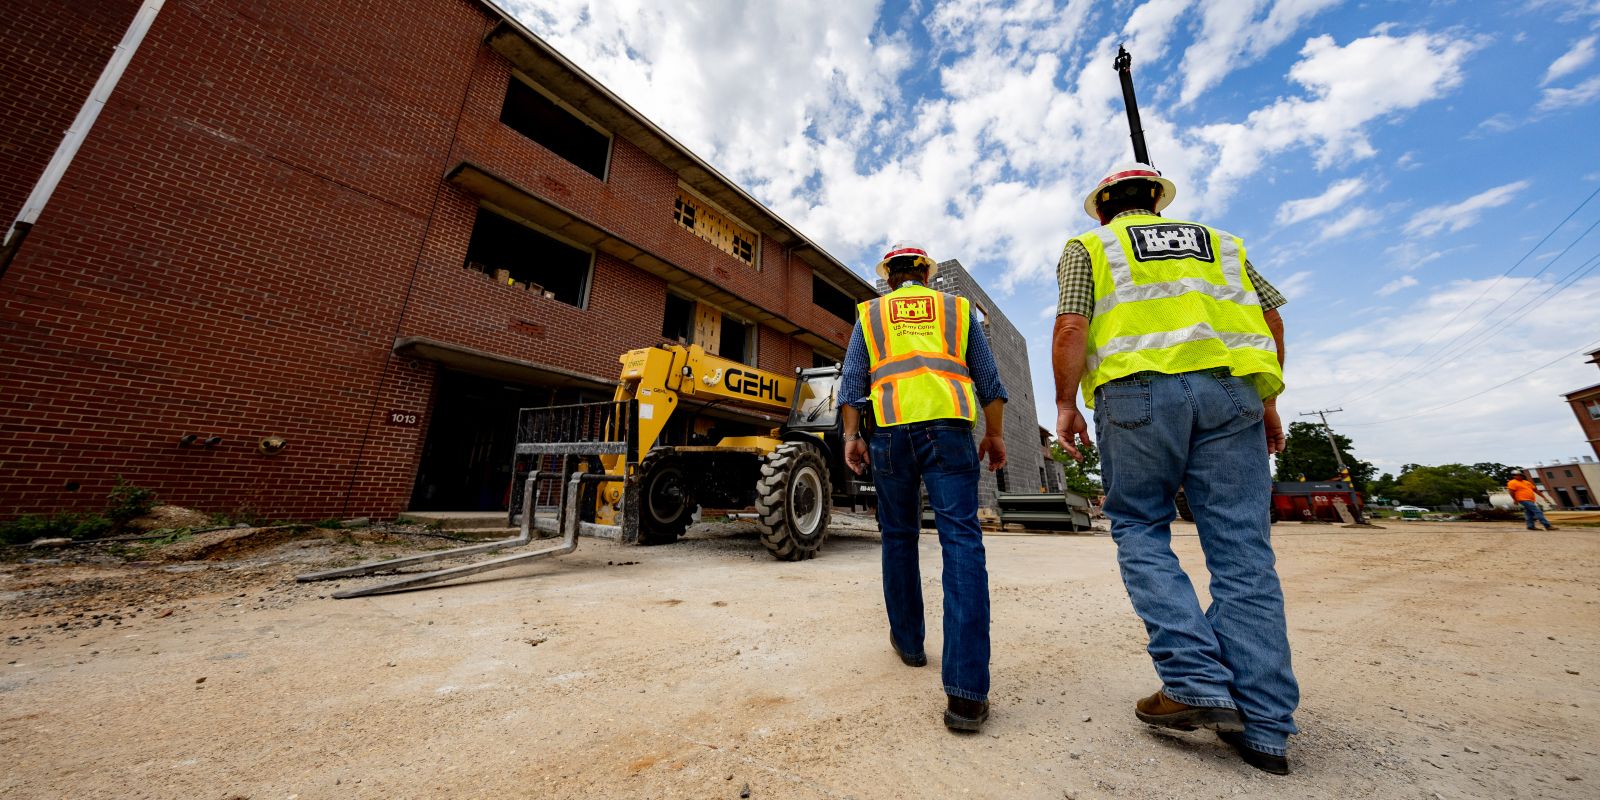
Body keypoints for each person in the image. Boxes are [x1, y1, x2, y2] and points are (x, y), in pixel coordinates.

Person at [1050, 163, 1298, 774]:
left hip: (1136, 399)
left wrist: (1064, 403)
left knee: (1138, 526)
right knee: (1244, 552)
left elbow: (1072, 324)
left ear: (1104, 207)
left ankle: (1192, 678)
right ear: (1158, 204)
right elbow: (1270, 321)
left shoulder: (1090, 246)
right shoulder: (1222, 244)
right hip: (1230, 391)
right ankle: (1266, 727)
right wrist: (1268, 402)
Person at [839, 241, 1008, 733]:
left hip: (889, 435)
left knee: (898, 537)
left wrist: (852, 437)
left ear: (889, 277)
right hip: (950, 433)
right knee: (961, 543)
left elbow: (852, 385)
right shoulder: (957, 310)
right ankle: (967, 696)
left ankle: (909, 645)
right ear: (927, 275)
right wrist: (994, 435)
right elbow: (990, 381)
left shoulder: (871, 315)